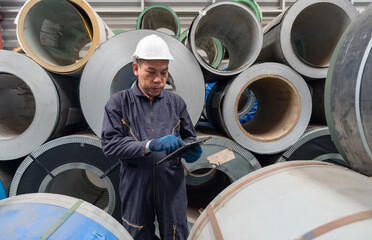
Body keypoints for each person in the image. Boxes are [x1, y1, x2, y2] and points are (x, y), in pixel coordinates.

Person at [101, 34, 203, 240]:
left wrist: (192, 149)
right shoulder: (118, 103)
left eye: (164, 73)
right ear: (136, 68)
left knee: (176, 232)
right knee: (137, 232)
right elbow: (110, 145)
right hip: (137, 183)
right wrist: (149, 145)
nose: (159, 80)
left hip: (171, 183)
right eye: (151, 72)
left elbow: (189, 136)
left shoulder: (176, 103)